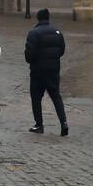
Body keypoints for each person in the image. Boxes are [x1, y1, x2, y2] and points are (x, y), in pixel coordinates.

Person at [24, 7, 68, 136]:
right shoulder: (57, 32)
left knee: (36, 97)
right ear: (48, 18)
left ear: (38, 18)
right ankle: (64, 123)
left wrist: (31, 59)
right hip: (53, 69)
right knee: (56, 96)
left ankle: (39, 124)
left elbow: (29, 54)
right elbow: (62, 50)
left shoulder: (34, 33)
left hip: (38, 70)